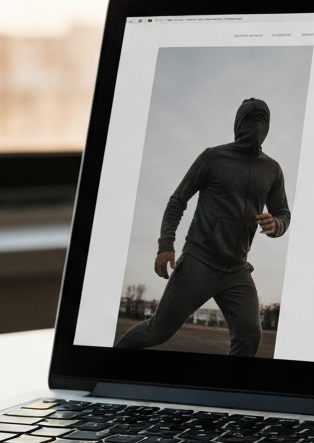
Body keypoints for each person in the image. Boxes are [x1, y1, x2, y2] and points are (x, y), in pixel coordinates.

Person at [116, 98, 290, 356]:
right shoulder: (213, 157)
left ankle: (229, 394)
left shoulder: (272, 170)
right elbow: (178, 200)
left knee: (250, 334)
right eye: (251, 118)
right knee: (158, 330)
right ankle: (108, 368)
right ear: (239, 123)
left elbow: (284, 213)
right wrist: (166, 245)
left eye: (262, 119)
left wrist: (275, 224)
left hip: (236, 270)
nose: (256, 125)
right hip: (200, 261)